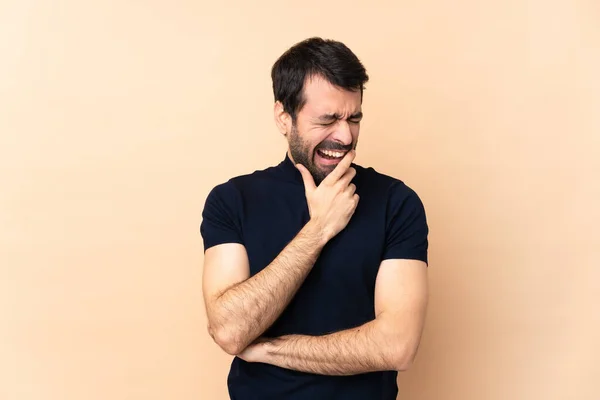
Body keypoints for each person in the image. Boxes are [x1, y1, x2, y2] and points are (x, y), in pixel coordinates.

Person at [200, 37, 429, 400]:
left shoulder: (396, 202)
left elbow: (397, 345)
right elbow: (229, 330)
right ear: (283, 117)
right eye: (327, 120)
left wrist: (272, 350)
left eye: (353, 118)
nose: (345, 135)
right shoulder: (232, 201)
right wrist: (319, 229)